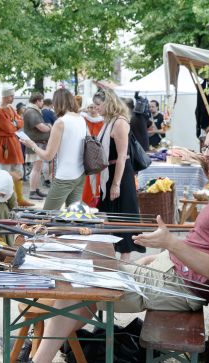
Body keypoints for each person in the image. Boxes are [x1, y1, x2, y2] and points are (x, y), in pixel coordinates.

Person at [32, 120, 209, 363]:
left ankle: (39, 358)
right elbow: (203, 243)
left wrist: (171, 243)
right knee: (81, 281)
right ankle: (52, 352)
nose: (206, 154)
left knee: (77, 286)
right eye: (205, 147)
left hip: (180, 285)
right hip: (171, 272)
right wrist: (161, 256)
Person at [95, 88, 143, 261]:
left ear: (108, 104)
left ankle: (124, 264)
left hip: (120, 175)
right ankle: (112, 259)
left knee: (123, 218)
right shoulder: (109, 121)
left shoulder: (120, 122)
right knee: (110, 216)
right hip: (110, 173)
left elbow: (122, 156)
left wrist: (116, 184)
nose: (96, 108)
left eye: (99, 105)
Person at [20, 88, 86, 211]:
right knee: (74, 216)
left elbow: (48, 155)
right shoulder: (81, 119)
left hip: (65, 176)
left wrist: (32, 144)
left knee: (47, 216)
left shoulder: (61, 122)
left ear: (57, 103)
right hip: (80, 174)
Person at [0, 87, 33, 207]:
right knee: (5, 172)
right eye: (11, 96)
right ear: (5, 96)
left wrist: (14, 123)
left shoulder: (10, 108)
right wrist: (14, 124)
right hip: (5, 144)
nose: (13, 98)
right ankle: (7, 200)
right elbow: (9, 128)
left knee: (18, 170)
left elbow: (20, 122)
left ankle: (19, 198)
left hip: (13, 141)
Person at [23, 93, 51, 200]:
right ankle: (32, 191)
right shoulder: (31, 111)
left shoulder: (33, 111)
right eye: (42, 101)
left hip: (36, 143)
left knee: (38, 168)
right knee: (36, 169)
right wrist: (50, 127)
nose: (43, 103)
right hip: (35, 143)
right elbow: (41, 127)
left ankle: (35, 189)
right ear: (37, 101)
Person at [80, 103, 104, 207]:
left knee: (99, 176)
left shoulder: (102, 120)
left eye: (94, 107)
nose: (92, 110)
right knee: (88, 176)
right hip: (86, 151)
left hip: (99, 151)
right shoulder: (83, 119)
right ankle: (87, 199)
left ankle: (97, 199)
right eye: (90, 107)